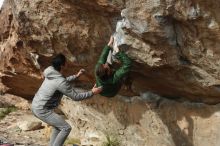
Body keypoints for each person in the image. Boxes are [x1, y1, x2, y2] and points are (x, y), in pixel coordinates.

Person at [31, 53, 102, 146]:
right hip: (42, 109)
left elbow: (63, 81)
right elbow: (75, 97)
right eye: (66, 62)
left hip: (35, 105)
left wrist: (76, 76)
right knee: (66, 128)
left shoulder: (51, 72)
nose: (67, 64)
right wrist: (92, 92)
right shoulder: (59, 80)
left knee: (58, 127)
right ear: (62, 65)